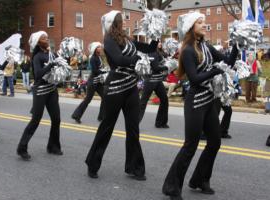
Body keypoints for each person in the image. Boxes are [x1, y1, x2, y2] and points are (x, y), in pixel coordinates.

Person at [162, 12, 239, 200]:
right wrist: (215, 70)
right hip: (195, 101)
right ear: (191, 27)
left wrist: (237, 44)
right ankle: (172, 187)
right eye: (200, 22)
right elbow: (194, 79)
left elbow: (228, 61)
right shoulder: (188, 50)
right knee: (191, 145)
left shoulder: (205, 45)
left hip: (208, 100)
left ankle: (200, 180)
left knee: (215, 142)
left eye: (204, 22)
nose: (204, 25)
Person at [85, 10, 158, 180]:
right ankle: (92, 163)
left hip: (131, 87)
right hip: (115, 88)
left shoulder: (128, 39)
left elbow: (149, 49)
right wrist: (139, 60)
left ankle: (135, 168)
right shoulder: (108, 39)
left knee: (133, 129)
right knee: (107, 127)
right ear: (114, 22)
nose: (124, 21)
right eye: (121, 19)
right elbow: (118, 60)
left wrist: (156, 35)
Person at [17, 31, 62, 161]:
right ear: (38, 42)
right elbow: (38, 74)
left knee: (56, 119)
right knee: (36, 120)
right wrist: (50, 65)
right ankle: (22, 147)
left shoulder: (51, 54)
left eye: (47, 37)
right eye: (43, 38)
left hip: (52, 89)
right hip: (40, 90)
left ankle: (53, 146)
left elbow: (57, 66)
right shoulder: (37, 56)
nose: (46, 39)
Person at [71, 42, 105, 123]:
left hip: (98, 82)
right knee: (87, 100)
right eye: (98, 47)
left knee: (105, 98)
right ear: (95, 49)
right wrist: (104, 72)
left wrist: (104, 70)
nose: (100, 48)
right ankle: (76, 115)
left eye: (100, 47)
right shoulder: (93, 58)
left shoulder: (99, 57)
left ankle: (101, 117)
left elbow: (100, 68)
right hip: (92, 83)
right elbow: (95, 71)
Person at [139, 41, 169, 128]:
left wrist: (169, 61)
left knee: (164, 100)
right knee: (143, 102)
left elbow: (164, 59)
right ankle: (134, 124)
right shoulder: (151, 53)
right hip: (150, 81)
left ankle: (160, 122)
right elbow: (156, 67)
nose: (160, 43)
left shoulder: (157, 52)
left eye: (160, 42)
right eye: (158, 42)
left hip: (158, 80)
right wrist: (167, 67)